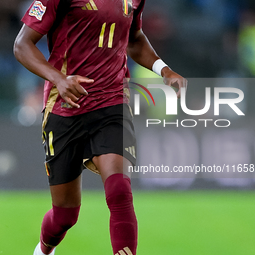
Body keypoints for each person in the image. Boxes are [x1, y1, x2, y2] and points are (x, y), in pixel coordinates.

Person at [14, 0, 187, 254]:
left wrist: (164, 70)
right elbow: (22, 45)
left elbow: (134, 38)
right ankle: (43, 250)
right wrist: (58, 79)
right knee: (65, 215)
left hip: (112, 103)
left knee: (119, 191)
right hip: (66, 107)